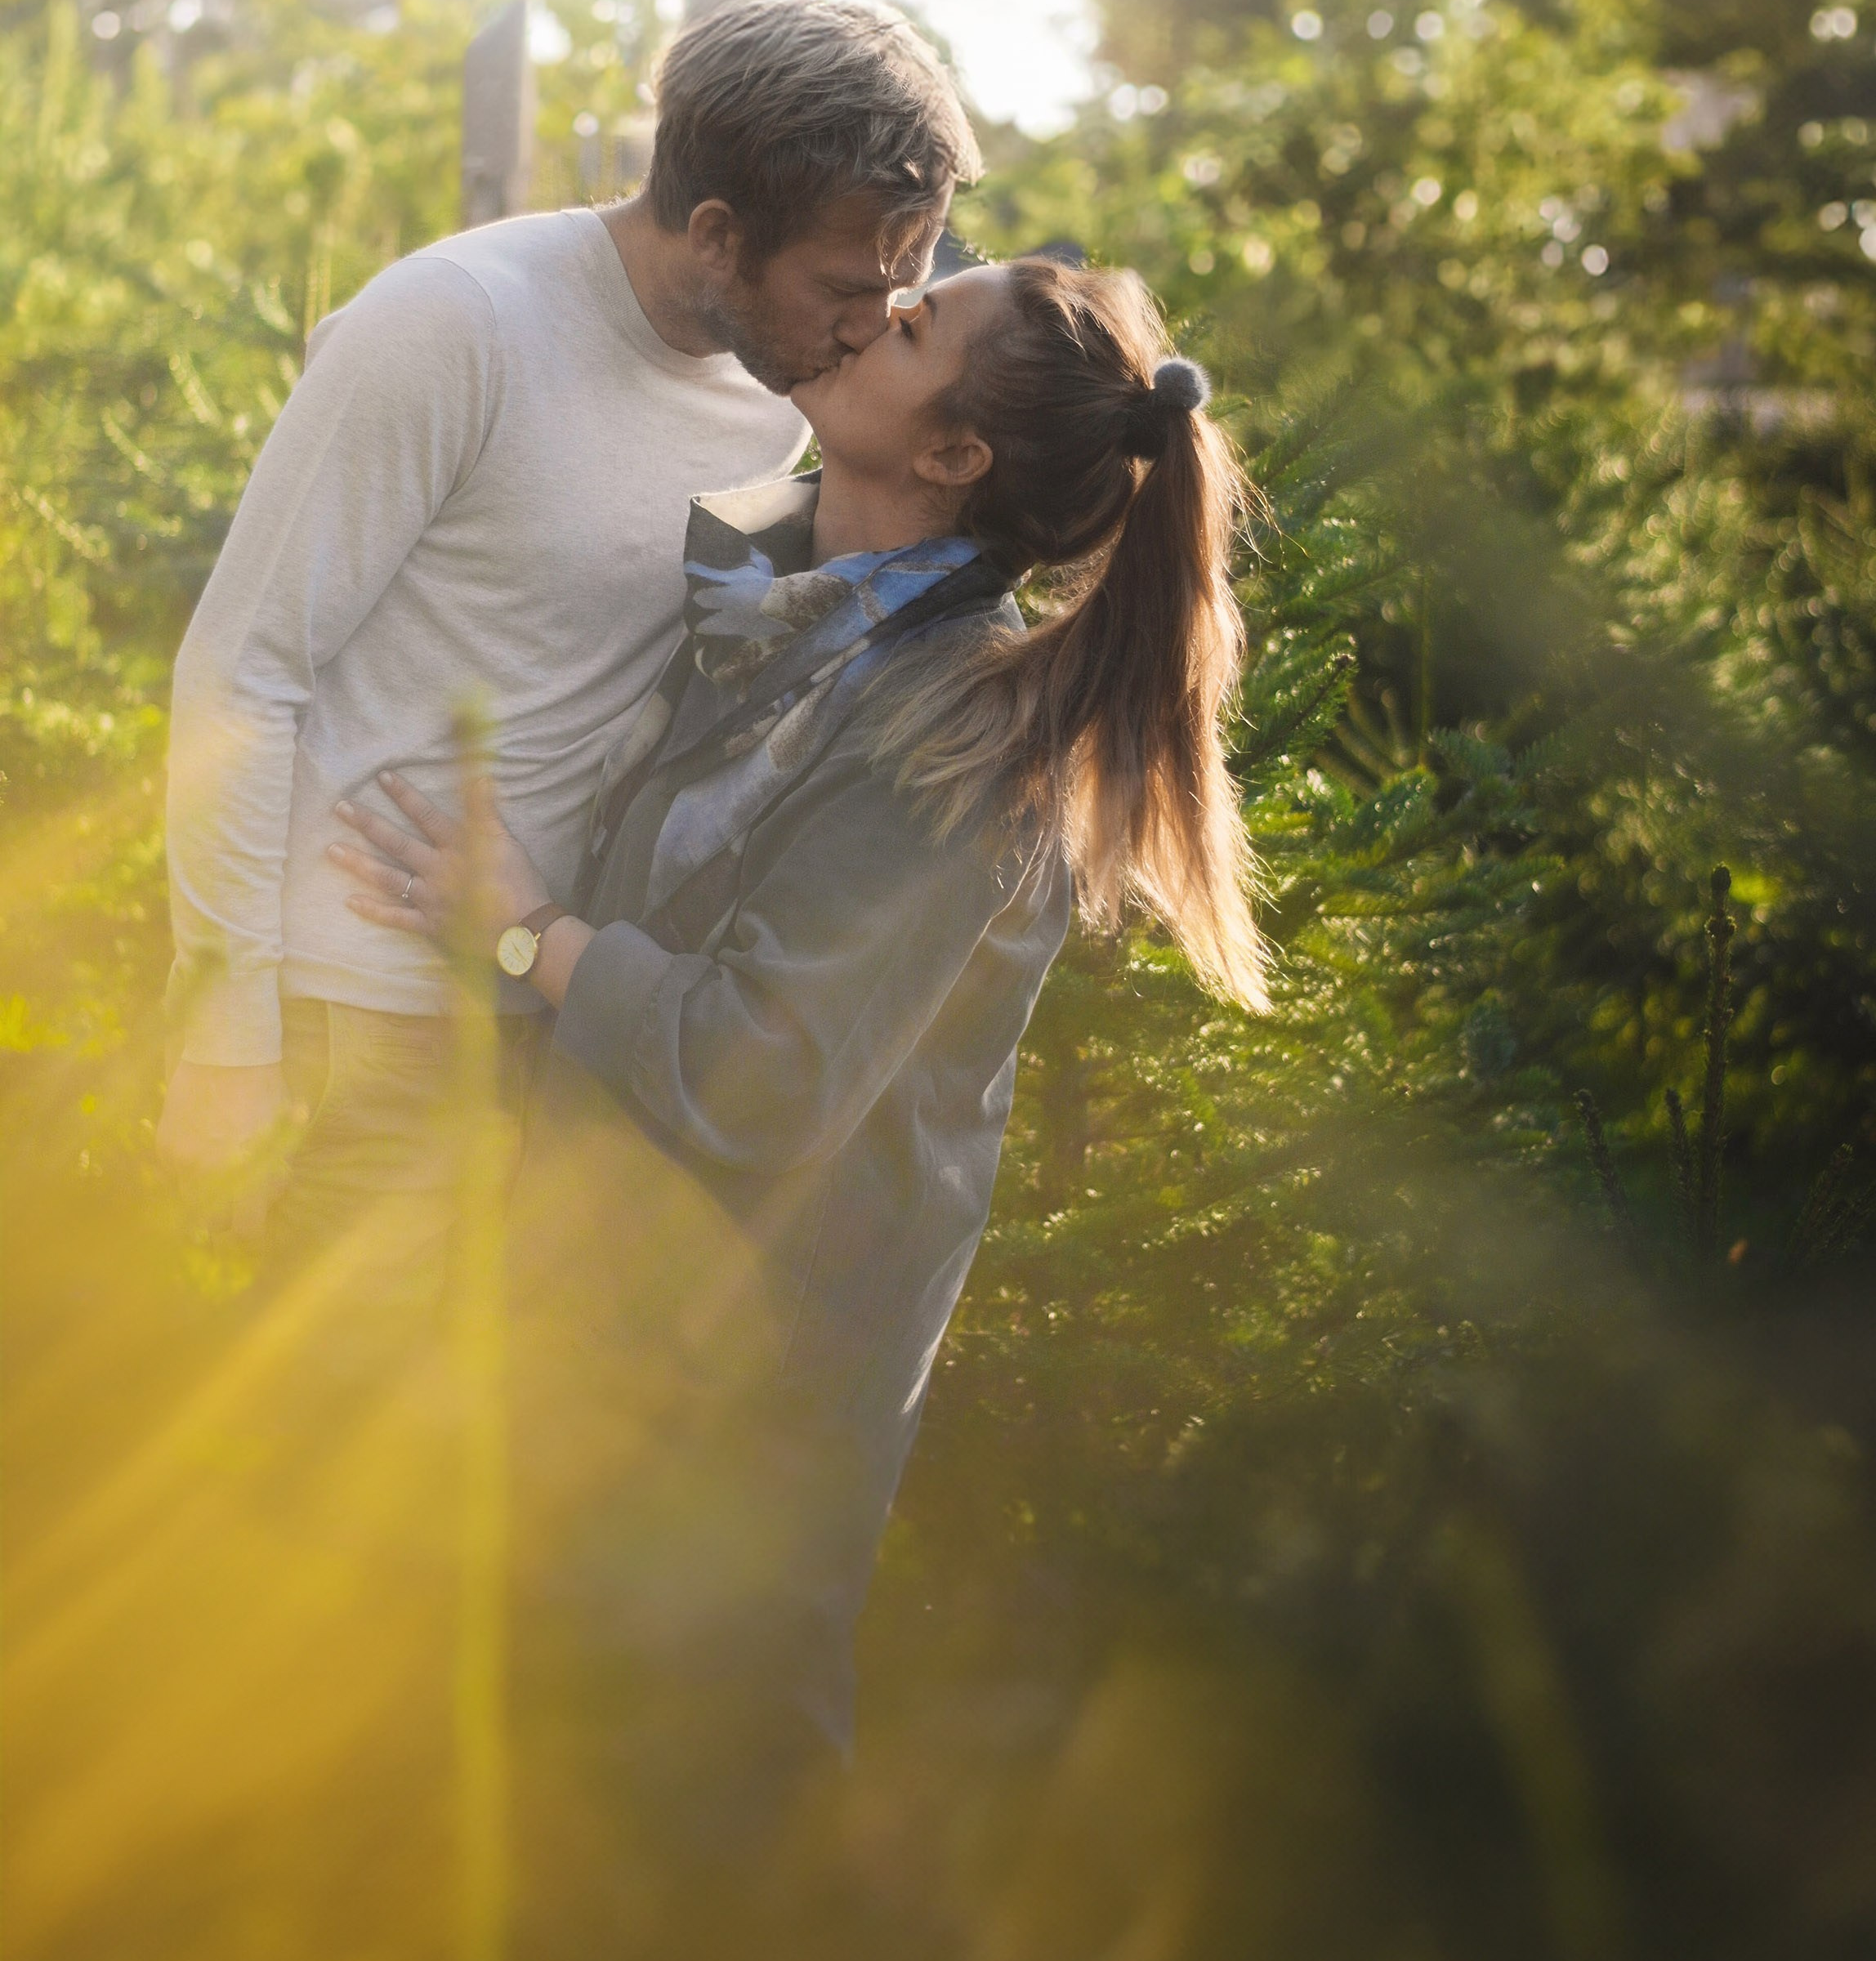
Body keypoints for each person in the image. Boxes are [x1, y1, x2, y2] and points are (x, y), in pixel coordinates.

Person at [330, 252, 1268, 1756]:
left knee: (690, 1848)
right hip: (598, 1351)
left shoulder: (960, 740)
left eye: (913, 325)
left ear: (955, 454)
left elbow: (758, 1073)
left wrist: (522, 935)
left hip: (743, 1418)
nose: (866, 310)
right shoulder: (775, 615)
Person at [157, 0, 980, 1253]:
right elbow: (240, 671)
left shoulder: (783, 387)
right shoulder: (454, 323)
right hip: (358, 1010)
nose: (870, 327)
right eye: (840, 289)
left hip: (548, 1017)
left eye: (901, 284)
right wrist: (225, 1033)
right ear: (716, 232)